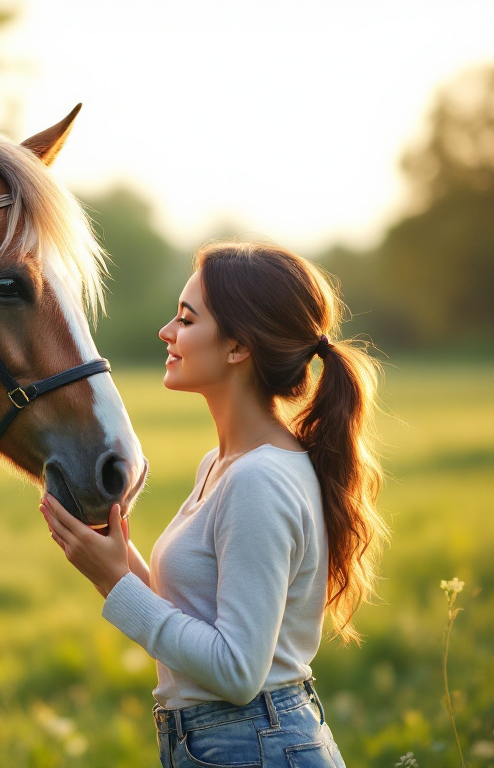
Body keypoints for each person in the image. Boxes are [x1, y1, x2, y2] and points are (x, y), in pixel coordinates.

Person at [39, 240, 388, 768]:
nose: (166, 332)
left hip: (255, 744)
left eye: (186, 319)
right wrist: (114, 563)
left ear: (237, 347)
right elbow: (198, 621)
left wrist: (116, 585)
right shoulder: (223, 466)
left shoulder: (258, 480)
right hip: (230, 742)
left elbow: (237, 672)